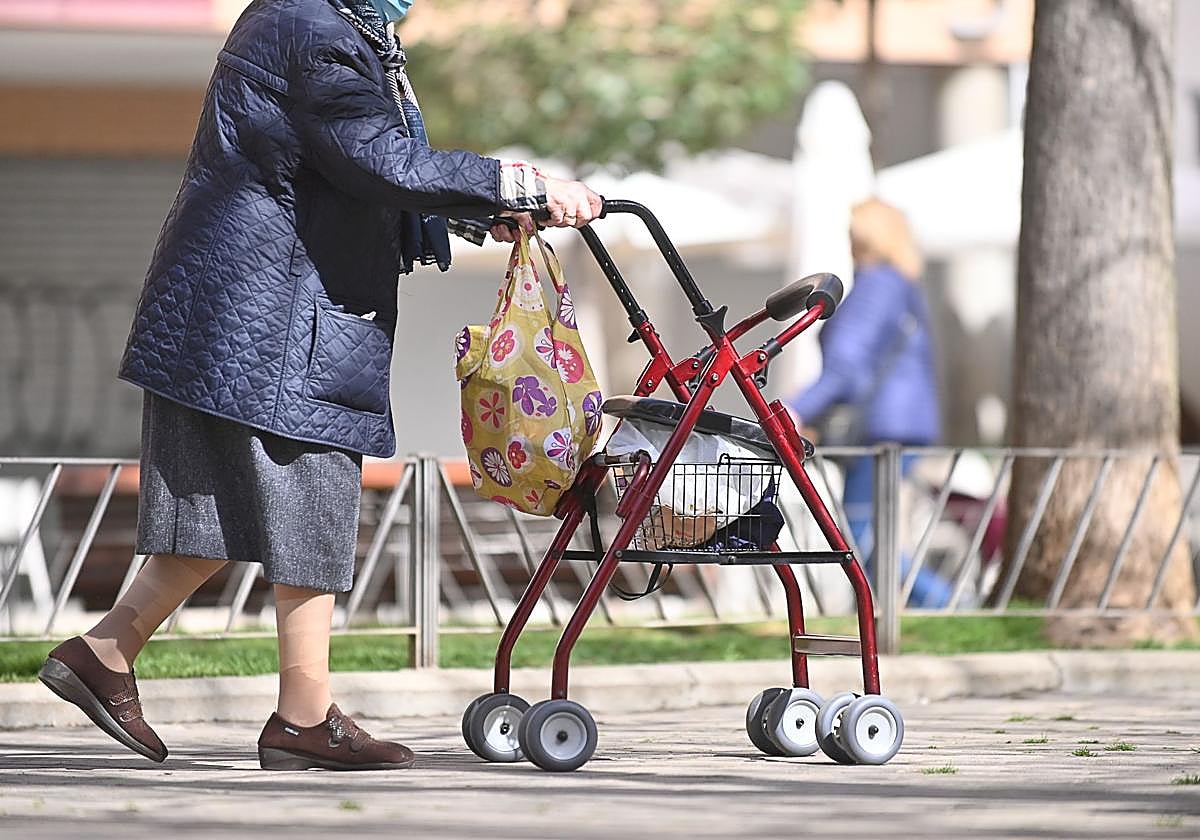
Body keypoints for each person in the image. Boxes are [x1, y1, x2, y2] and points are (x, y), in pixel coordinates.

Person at [36, 0, 601, 772]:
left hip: (233, 310)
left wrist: (482, 208)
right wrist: (518, 181)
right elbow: (375, 159)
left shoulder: (314, 21)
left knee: (224, 515)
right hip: (276, 315)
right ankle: (302, 718)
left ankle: (104, 653)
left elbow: (345, 169)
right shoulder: (317, 32)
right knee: (312, 499)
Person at [786, 198, 951, 608]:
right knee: (871, 532)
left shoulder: (877, 285)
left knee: (861, 533)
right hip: (903, 422)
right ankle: (933, 608)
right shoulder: (902, 285)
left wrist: (796, 409)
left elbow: (846, 365)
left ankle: (948, 605)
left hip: (881, 427)